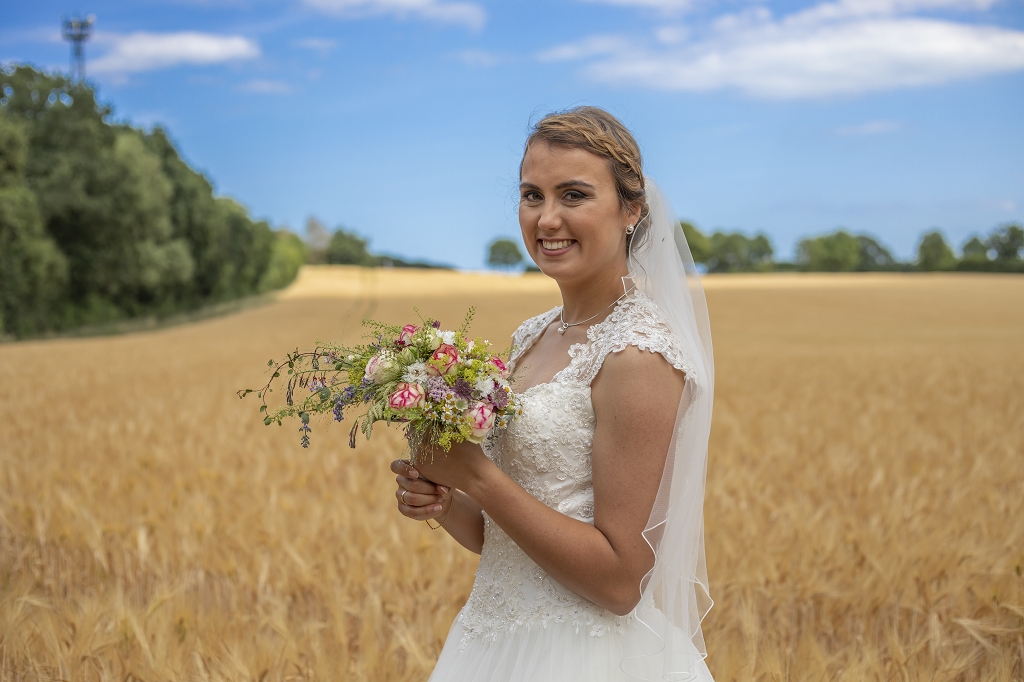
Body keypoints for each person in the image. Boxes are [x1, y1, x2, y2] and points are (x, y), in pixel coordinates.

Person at [390, 106, 716, 682]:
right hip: (492, 644)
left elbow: (620, 582)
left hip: (585, 658)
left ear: (632, 210)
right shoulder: (532, 335)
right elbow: (508, 542)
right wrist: (446, 500)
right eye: (531, 195)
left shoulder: (636, 355)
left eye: (573, 195)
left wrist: (478, 476)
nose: (547, 219)